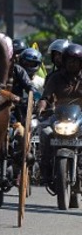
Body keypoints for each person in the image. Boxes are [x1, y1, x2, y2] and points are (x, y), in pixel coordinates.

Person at [36, 43, 82, 187]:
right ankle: (46, 170)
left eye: (76, 61)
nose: (72, 64)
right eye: (69, 60)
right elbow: (45, 97)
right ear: (64, 61)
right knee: (44, 132)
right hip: (59, 117)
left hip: (80, 118)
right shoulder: (55, 78)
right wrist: (41, 107)